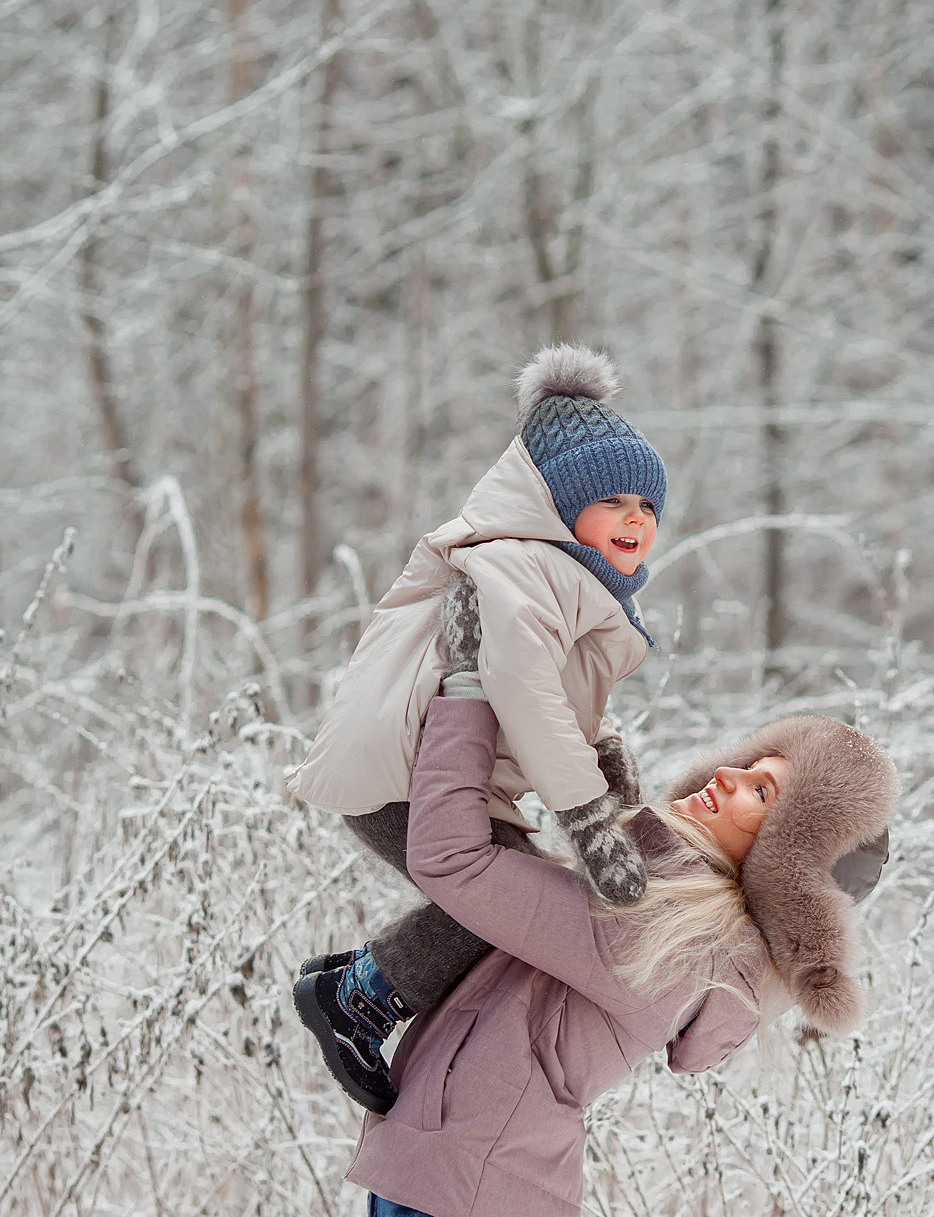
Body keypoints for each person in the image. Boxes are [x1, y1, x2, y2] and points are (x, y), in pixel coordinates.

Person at [351, 582, 899, 1217]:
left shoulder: (659, 937)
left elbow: (454, 859)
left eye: (761, 794)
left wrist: (471, 680)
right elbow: (598, 841)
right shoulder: (689, 935)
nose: (727, 775)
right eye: (747, 760)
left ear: (782, 859)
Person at [285, 344, 669, 1113]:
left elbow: (553, 699)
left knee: (523, 906)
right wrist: (590, 818)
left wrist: (604, 761)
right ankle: (357, 995)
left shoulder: (561, 577)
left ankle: (360, 982)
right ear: (558, 505)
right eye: (613, 502)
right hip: (403, 769)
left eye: (648, 507)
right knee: (516, 905)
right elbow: (522, 688)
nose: (635, 519)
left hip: (428, 769)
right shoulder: (523, 566)